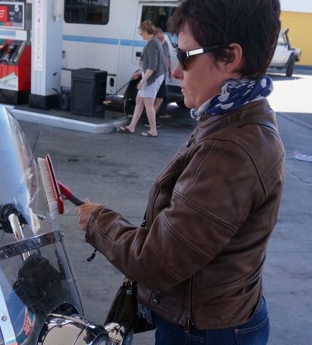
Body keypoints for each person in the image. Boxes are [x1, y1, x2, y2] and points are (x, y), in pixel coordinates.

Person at [76, 0, 284, 344]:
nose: (175, 70)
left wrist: (98, 222)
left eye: (186, 56)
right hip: (217, 317)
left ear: (231, 57)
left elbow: (157, 262)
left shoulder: (231, 148)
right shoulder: (235, 114)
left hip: (205, 332)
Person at [117, 20, 167, 138]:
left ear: (146, 31)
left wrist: (142, 81)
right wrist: (140, 72)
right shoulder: (151, 42)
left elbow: (152, 66)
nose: (140, 34)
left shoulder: (152, 44)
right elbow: (149, 64)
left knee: (148, 103)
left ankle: (153, 131)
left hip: (152, 78)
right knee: (139, 100)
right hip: (151, 75)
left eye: (141, 32)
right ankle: (132, 126)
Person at [154, 27, 173, 115]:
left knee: (160, 99)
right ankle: (149, 119)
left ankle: (151, 119)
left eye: (163, 37)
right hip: (154, 77)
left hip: (163, 76)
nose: (162, 39)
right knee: (151, 99)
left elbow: (168, 58)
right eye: (160, 38)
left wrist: (170, 72)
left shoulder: (165, 44)